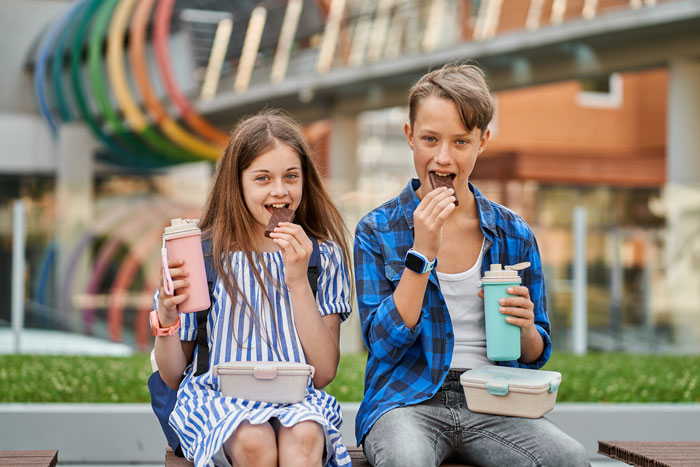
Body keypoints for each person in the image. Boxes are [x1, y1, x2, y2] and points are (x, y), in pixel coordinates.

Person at [353, 64, 590, 467]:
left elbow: (536, 353)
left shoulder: (513, 232)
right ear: (410, 137)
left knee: (567, 458)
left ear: (482, 142)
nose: (443, 157)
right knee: (405, 459)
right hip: (406, 401)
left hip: (494, 399)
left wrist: (527, 328)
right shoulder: (377, 230)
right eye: (430, 139)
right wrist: (422, 252)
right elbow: (381, 345)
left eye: (461, 141)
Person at [153, 111, 353, 467]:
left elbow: (322, 372)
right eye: (263, 178)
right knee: (252, 439)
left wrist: (296, 280)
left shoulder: (322, 257)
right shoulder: (201, 254)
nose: (280, 190)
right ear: (238, 183)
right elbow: (172, 373)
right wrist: (167, 317)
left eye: (291, 176)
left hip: (297, 398)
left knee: (306, 437)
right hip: (215, 397)